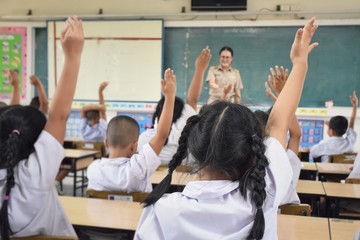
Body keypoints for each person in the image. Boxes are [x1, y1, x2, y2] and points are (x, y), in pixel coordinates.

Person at [135, 18, 319, 240]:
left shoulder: (158, 211)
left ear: (193, 147)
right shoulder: (263, 197)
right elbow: (277, 125)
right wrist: (300, 62)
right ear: (251, 150)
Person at [0, 16, 84, 239]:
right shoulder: (33, 177)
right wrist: (72, 56)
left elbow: (56, 117)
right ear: (36, 141)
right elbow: (58, 116)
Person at [87, 68, 176, 193]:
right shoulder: (137, 169)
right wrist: (169, 97)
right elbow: (161, 135)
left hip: (102, 213)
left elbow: (161, 135)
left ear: (106, 142)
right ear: (134, 145)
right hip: (136, 213)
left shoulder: (93, 170)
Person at [137, 48, 211, 166]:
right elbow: (192, 99)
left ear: (158, 113)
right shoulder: (187, 133)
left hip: (153, 184)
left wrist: (168, 97)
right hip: (184, 183)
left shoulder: (144, 139)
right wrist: (200, 70)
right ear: (183, 112)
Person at [261, 65, 302, 205]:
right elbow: (296, 135)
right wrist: (282, 92)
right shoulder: (287, 160)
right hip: (292, 223)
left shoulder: (245, 168)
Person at [309, 91, 358, 162]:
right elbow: (351, 126)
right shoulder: (349, 144)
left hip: (325, 173)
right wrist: (355, 106)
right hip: (345, 173)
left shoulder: (324, 145)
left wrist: (309, 149)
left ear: (331, 131)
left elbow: (313, 152)